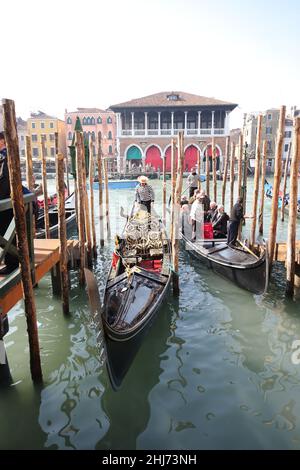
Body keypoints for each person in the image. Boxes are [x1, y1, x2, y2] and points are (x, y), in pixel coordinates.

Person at [0, 132, 19, 273]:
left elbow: (4, 180)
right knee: (7, 233)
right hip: (7, 199)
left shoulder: (4, 157)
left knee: (6, 233)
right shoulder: (7, 157)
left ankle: (12, 265)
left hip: (5, 201)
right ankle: (11, 263)